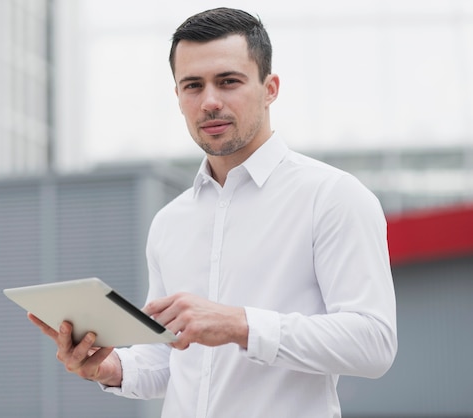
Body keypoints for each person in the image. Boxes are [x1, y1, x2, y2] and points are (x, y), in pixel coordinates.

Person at [28, 7, 397, 417]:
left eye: (228, 81)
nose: (209, 102)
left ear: (270, 87)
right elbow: (168, 362)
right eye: (192, 85)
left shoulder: (333, 196)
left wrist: (240, 324)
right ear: (178, 97)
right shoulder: (170, 222)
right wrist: (108, 367)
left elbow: (374, 343)